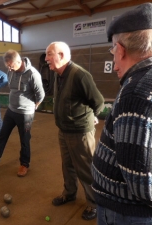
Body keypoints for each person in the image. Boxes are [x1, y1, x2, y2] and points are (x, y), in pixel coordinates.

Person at [92, 3, 152, 225]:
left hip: (129, 215)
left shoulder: (137, 94)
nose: (114, 64)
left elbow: (145, 185)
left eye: (113, 51)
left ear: (121, 49)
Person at [45, 41, 104, 220]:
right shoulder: (58, 74)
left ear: (61, 55)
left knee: (85, 169)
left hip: (80, 133)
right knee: (67, 165)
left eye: (49, 54)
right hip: (64, 130)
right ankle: (69, 193)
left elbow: (99, 102)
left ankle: (94, 203)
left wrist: (93, 116)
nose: (46, 58)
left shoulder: (80, 75)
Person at [0, 49, 45, 177]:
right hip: (11, 110)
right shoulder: (11, 71)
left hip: (25, 114)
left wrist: (33, 106)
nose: (10, 68)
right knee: (3, 135)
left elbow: (40, 94)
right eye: (8, 66)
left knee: (24, 139)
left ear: (19, 61)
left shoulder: (32, 74)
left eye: (11, 65)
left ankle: (24, 164)